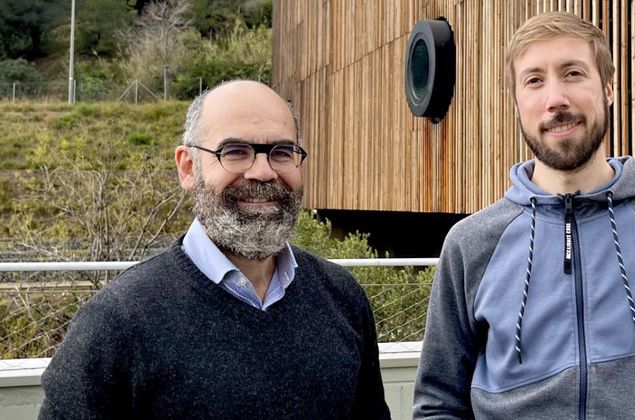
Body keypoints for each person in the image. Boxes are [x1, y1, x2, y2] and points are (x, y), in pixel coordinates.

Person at [413, 12, 635, 419]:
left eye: (573, 73)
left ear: (608, 88)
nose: (556, 99)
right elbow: (438, 404)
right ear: (517, 102)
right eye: (534, 80)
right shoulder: (469, 246)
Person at [39, 80, 391, 419]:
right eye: (236, 152)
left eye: (282, 152)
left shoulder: (343, 298)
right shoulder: (116, 324)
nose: (263, 172)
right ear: (188, 168)